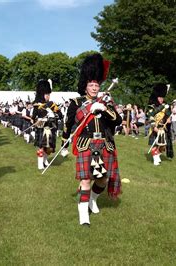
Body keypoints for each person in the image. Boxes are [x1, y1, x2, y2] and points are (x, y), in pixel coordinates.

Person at [62, 53, 122, 226]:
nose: (95, 87)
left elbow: (117, 120)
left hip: (104, 144)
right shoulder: (77, 102)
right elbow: (71, 121)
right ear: (86, 86)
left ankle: (92, 200)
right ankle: (83, 214)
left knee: (103, 179)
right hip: (86, 144)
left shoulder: (105, 101)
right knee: (86, 180)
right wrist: (90, 108)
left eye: (96, 84)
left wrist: (104, 109)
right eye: (91, 84)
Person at [32, 79, 61, 170]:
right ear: (42, 94)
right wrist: (38, 120)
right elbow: (33, 116)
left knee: (48, 148)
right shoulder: (37, 105)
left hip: (51, 127)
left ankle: (45, 160)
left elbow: (60, 115)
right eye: (47, 94)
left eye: (49, 94)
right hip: (41, 128)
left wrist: (55, 114)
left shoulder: (52, 105)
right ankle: (40, 163)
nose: (48, 96)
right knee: (41, 147)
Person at [147, 83, 173, 166]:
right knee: (155, 144)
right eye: (160, 97)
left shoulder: (165, 106)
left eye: (162, 97)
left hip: (163, 128)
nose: (161, 99)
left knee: (163, 145)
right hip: (155, 127)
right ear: (156, 97)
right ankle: (155, 159)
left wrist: (169, 119)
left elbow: (168, 115)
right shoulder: (151, 106)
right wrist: (154, 127)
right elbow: (150, 117)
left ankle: (157, 155)